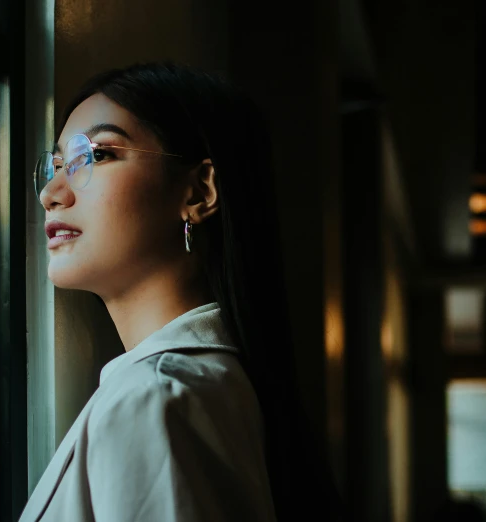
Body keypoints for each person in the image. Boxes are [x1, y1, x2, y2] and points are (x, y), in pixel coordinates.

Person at [18, 62, 340, 522]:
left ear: (199, 191)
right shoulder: (207, 382)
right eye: (55, 166)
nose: (52, 192)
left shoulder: (155, 397)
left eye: (98, 155)